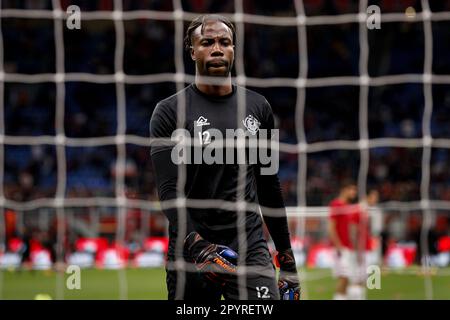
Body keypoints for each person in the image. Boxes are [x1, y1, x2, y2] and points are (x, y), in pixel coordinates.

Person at [149, 14, 300, 300]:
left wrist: (286, 257)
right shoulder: (169, 112)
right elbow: (169, 191)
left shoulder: (258, 107)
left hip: (248, 244)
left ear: (233, 49)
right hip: (190, 247)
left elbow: (269, 185)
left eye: (224, 42)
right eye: (207, 42)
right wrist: (197, 244)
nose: (217, 48)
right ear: (192, 51)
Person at [328, 179, 359, 300]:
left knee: (348, 278)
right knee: (344, 276)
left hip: (348, 247)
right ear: (344, 190)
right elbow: (331, 227)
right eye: (352, 189)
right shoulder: (336, 204)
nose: (354, 192)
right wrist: (338, 246)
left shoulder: (348, 207)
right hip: (340, 248)